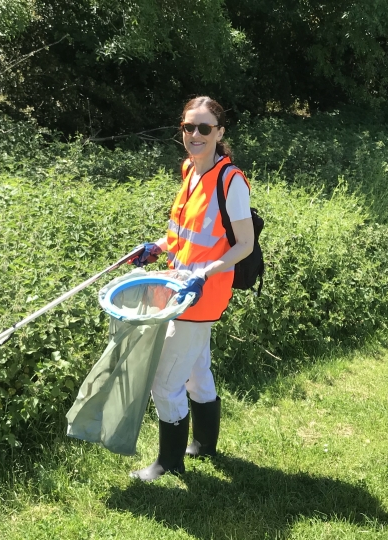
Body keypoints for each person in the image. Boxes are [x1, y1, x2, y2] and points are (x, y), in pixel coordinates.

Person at [129, 96, 255, 482]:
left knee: (165, 381)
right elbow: (183, 237)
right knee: (196, 371)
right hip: (177, 287)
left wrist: (205, 273)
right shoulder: (190, 170)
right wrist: (156, 248)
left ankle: (168, 461)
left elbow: (243, 244)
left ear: (219, 132)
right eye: (189, 127)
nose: (195, 134)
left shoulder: (229, 180)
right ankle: (203, 444)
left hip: (201, 294)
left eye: (204, 128)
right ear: (181, 130)